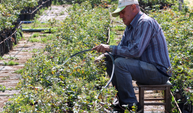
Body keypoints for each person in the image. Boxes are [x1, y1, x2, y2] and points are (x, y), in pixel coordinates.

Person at [92, 0, 172, 112]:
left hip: (159, 72)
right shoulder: (130, 27)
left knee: (120, 63)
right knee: (111, 59)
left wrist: (109, 47)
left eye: (123, 12)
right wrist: (105, 55)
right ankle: (121, 99)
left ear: (133, 7)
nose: (120, 16)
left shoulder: (145, 23)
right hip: (146, 68)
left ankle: (131, 106)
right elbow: (120, 49)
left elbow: (135, 52)